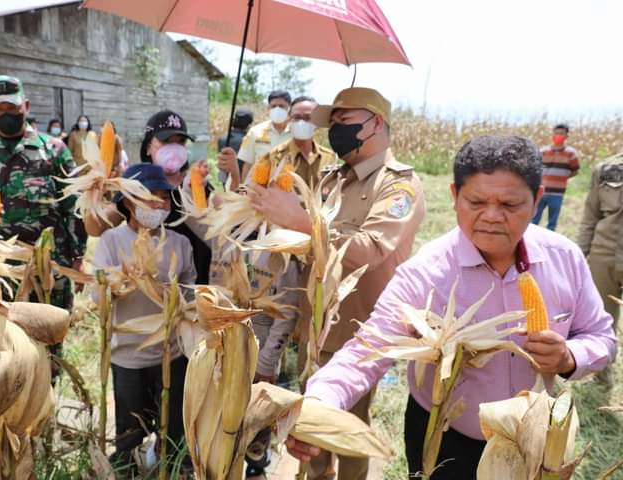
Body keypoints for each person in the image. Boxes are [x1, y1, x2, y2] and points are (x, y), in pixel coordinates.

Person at [286, 135, 618, 479]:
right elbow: (367, 349)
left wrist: (569, 357)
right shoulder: (426, 273)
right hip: (444, 438)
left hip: (533, 437)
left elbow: (601, 336)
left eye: (509, 205)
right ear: (454, 197)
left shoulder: (565, 259)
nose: (491, 216)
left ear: (536, 201)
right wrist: (320, 401)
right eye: (476, 202)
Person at [248, 87, 425, 480]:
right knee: (310, 431)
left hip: (359, 333)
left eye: (345, 122)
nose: (335, 132)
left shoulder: (397, 186)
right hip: (314, 327)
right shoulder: (333, 180)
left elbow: (370, 249)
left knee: (346, 432)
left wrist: (300, 222)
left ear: (376, 123)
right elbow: (312, 246)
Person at [0, 74, 86, 314]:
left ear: (26, 105)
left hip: (51, 262)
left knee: (50, 337)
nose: (7, 114)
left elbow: (73, 205)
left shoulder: (54, 150)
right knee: (3, 338)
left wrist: (79, 256)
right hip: (0, 266)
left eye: (12, 107)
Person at [92, 163, 196, 470]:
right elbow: (98, 296)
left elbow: (190, 296)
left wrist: (171, 295)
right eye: (149, 197)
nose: (158, 205)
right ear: (127, 202)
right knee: (129, 434)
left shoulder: (181, 243)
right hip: (127, 356)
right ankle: (127, 470)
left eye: (163, 198)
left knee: (173, 431)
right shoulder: (111, 241)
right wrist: (123, 283)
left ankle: (172, 469)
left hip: (172, 354)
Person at [84, 110, 213, 284]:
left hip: (196, 285)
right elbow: (95, 229)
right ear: (147, 147)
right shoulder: (134, 184)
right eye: (166, 141)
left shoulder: (199, 185)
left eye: (181, 142)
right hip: (150, 288)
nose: (174, 148)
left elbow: (219, 235)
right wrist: (94, 191)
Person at [577, 150, 623, 385]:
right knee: (603, 317)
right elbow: (590, 215)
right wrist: (580, 253)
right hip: (603, 254)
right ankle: (603, 375)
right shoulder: (606, 169)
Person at [238, 96, 336, 192]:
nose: (301, 122)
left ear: (317, 121)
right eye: (296, 117)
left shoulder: (329, 158)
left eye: (307, 118)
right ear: (289, 119)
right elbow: (254, 191)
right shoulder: (273, 157)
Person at [218, 90, 293, 183]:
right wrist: (243, 190)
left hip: (287, 190)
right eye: (273, 106)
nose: (277, 109)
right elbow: (247, 164)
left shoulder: (296, 134)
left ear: (289, 108)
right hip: (258, 190)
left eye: (281, 106)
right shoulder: (255, 132)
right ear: (268, 108)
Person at [532, 123, 580, 230]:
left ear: (566, 136)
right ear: (553, 135)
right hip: (541, 191)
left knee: (552, 223)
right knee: (534, 221)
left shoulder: (570, 154)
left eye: (561, 134)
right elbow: (535, 168)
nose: (558, 136)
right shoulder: (543, 152)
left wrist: (561, 177)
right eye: (556, 133)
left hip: (557, 194)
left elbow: (575, 171)